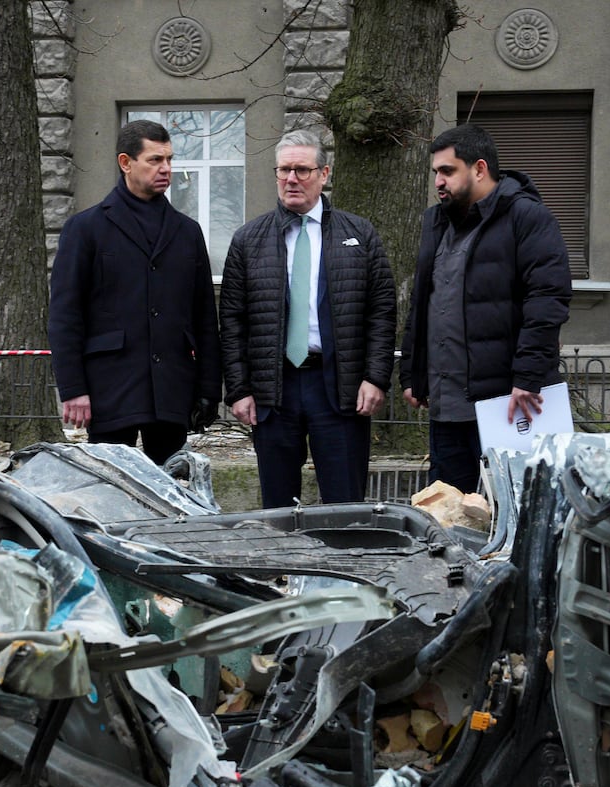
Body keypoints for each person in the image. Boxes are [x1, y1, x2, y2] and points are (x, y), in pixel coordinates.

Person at [219, 129, 396, 509]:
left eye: (302, 169)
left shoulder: (359, 234)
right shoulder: (249, 240)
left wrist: (375, 377)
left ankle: (344, 565)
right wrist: (238, 388)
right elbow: (232, 322)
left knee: (345, 503)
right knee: (279, 506)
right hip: (273, 389)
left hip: (339, 387)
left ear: (324, 174)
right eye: (283, 170)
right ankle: (282, 569)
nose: (291, 179)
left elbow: (381, 311)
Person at [399, 124, 572, 492]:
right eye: (436, 173)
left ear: (479, 169)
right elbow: (424, 302)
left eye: (447, 171)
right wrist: (413, 374)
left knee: (513, 516)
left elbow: (547, 300)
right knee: (449, 518)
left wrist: (527, 377)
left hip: (507, 406)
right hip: (447, 409)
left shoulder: (527, 217)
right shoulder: (436, 223)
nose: (438, 182)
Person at [48, 120, 222, 464]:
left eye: (169, 160)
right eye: (155, 160)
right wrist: (73, 389)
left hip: (172, 389)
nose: (166, 169)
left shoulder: (187, 232)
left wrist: (208, 390)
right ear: (126, 162)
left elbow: (204, 316)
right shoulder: (86, 229)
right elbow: (65, 315)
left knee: (171, 495)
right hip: (110, 389)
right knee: (110, 492)